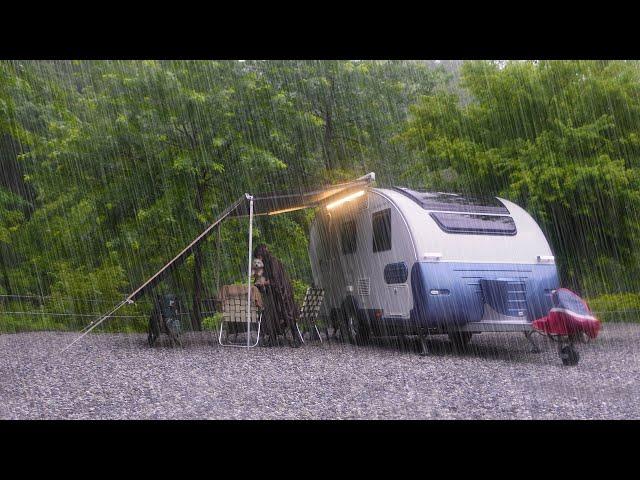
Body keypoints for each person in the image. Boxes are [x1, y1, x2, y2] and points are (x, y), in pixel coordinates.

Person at [253, 244, 301, 348]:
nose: (258, 259)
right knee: (274, 313)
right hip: (277, 292)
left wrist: (264, 283)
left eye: (258, 256)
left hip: (282, 291)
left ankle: (296, 339)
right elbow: (264, 277)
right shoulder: (268, 262)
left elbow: (275, 279)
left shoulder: (272, 262)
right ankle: (273, 338)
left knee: (288, 314)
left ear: (261, 255)